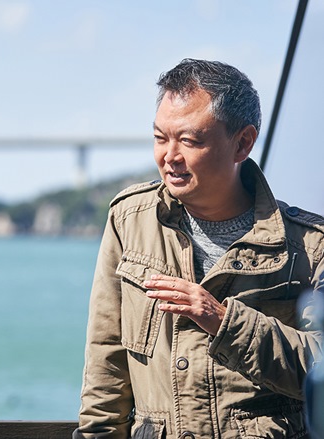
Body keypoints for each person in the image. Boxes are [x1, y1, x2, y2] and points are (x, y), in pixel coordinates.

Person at [74, 58, 324, 438]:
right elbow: (106, 363)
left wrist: (225, 322)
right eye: (160, 138)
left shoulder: (310, 246)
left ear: (243, 143)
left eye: (189, 141)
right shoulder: (130, 220)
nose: (169, 156)